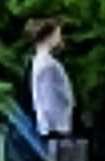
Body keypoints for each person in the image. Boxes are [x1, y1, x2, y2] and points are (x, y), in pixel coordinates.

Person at [28, 18, 77, 149]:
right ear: (49, 37)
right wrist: (57, 124)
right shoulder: (47, 64)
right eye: (57, 34)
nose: (59, 38)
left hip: (53, 120)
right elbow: (49, 96)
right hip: (56, 122)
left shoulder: (41, 61)